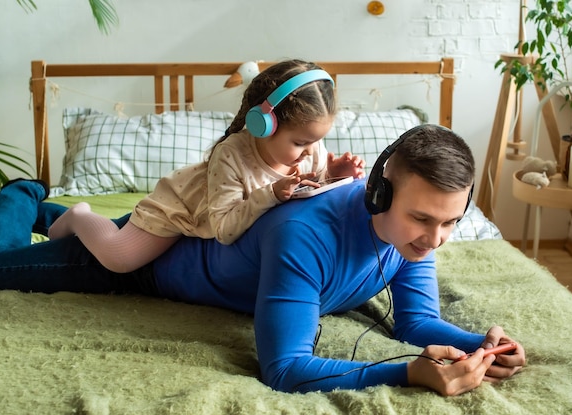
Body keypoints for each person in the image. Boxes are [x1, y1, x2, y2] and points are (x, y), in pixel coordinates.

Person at [0, 124, 526, 395]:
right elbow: (283, 369)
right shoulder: (304, 236)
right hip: (145, 259)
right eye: (423, 219)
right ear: (380, 194)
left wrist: (482, 343)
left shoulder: (414, 240)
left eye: (451, 221)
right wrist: (408, 372)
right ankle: (22, 194)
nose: (435, 240)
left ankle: (51, 213)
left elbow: (413, 321)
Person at [47, 59, 366, 273]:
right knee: (119, 258)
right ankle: (80, 215)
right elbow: (224, 230)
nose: (310, 151)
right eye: (300, 143)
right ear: (263, 125)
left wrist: (333, 175)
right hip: (179, 209)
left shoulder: (310, 146)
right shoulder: (231, 155)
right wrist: (269, 194)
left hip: (214, 210)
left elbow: (310, 188)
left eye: (317, 141)